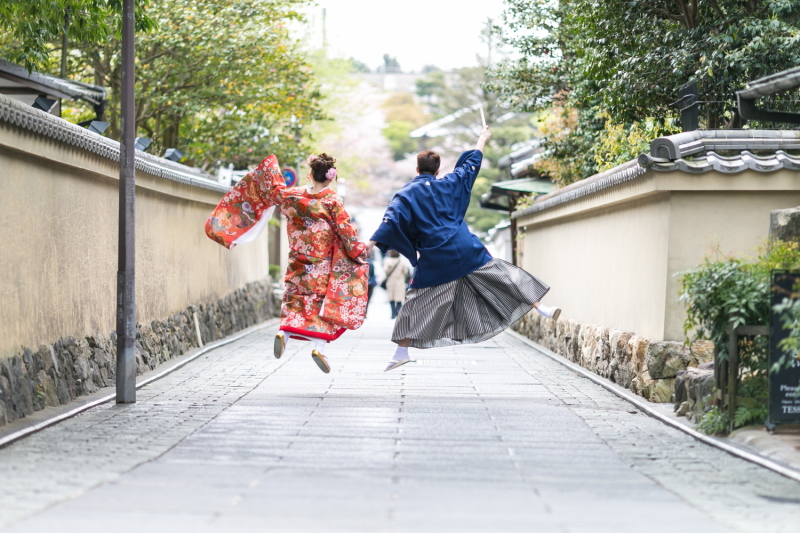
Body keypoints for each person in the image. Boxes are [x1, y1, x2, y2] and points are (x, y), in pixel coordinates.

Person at [367, 126, 560, 372]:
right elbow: (472, 163)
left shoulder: (406, 194)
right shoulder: (451, 182)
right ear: (437, 170)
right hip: (465, 247)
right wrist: (482, 138)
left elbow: (391, 220)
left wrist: (371, 243)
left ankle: (400, 351)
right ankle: (541, 307)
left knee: (416, 303)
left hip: (436, 256)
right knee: (501, 276)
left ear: (417, 170)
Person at [206, 153, 368, 373]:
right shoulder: (332, 200)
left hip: (297, 258)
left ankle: (285, 334)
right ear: (330, 178)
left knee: (295, 298)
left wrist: (268, 169)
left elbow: (272, 190)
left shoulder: (292, 195)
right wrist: (359, 250)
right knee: (321, 305)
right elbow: (345, 230)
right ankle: (318, 347)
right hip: (321, 262)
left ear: (310, 175)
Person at [382, 250, 408, 319]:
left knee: (391, 298)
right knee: (399, 298)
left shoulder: (387, 261)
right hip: (399, 282)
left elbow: (385, 270)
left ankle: (393, 313)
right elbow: (405, 272)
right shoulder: (401, 262)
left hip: (391, 282)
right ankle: (398, 311)